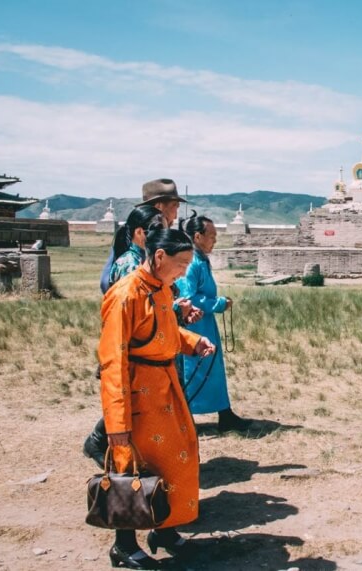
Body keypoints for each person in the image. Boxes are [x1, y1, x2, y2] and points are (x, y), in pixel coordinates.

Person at [98, 226, 215, 569]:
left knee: (175, 459)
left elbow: (163, 330)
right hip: (137, 396)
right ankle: (123, 545)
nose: (182, 272)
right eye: (180, 265)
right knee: (133, 468)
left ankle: (163, 530)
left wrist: (192, 342)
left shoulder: (161, 288)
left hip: (166, 390)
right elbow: (112, 359)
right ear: (159, 256)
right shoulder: (125, 295)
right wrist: (116, 423)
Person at [177, 212, 252, 432]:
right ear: (198, 236)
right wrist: (218, 303)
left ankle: (224, 412)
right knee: (196, 368)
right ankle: (185, 417)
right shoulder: (190, 263)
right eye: (212, 236)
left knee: (214, 367)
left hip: (205, 323)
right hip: (194, 324)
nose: (215, 240)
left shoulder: (200, 260)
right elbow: (188, 297)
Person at [99, 179, 187, 294]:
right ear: (159, 206)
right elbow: (107, 283)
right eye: (175, 206)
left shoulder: (154, 246)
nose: (175, 216)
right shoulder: (131, 256)